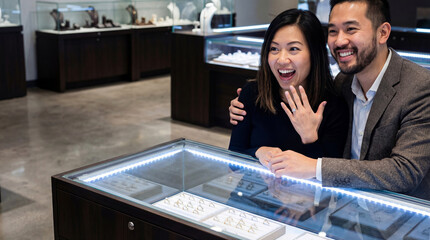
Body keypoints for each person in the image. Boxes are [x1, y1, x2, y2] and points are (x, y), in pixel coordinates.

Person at [229, 0, 430, 200]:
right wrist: (257, 148)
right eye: (333, 31)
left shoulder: (418, 86)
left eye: (351, 29)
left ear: (383, 33)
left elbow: (405, 172)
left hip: (398, 217)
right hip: (341, 211)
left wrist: (315, 165)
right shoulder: (344, 83)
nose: (340, 40)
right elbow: (235, 154)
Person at [228, 8, 349, 170]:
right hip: (253, 191)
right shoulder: (252, 94)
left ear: (314, 54)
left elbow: (332, 178)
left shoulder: (333, 106)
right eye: (274, 49)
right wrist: (257, 152)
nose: (282, 59)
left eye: (293, 49)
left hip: (306, 195)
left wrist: (310, 138)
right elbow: (232, 161)